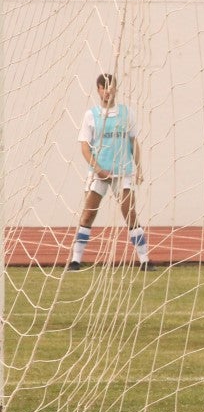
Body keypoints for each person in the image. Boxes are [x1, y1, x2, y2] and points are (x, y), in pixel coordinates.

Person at [68, 74, 153, 272]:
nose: (107, 91)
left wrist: (138, 168)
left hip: (122, 172)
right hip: (99, 173)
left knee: (129, 213)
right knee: (88, 215)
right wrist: (98, 170)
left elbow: (133, 142)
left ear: (115, 89)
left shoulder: (127, 113)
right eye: (103, 87)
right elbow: (85, 148)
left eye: (110, 87)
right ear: (98, 90)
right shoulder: (91, 115)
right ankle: (75, 260)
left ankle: (145, 260)